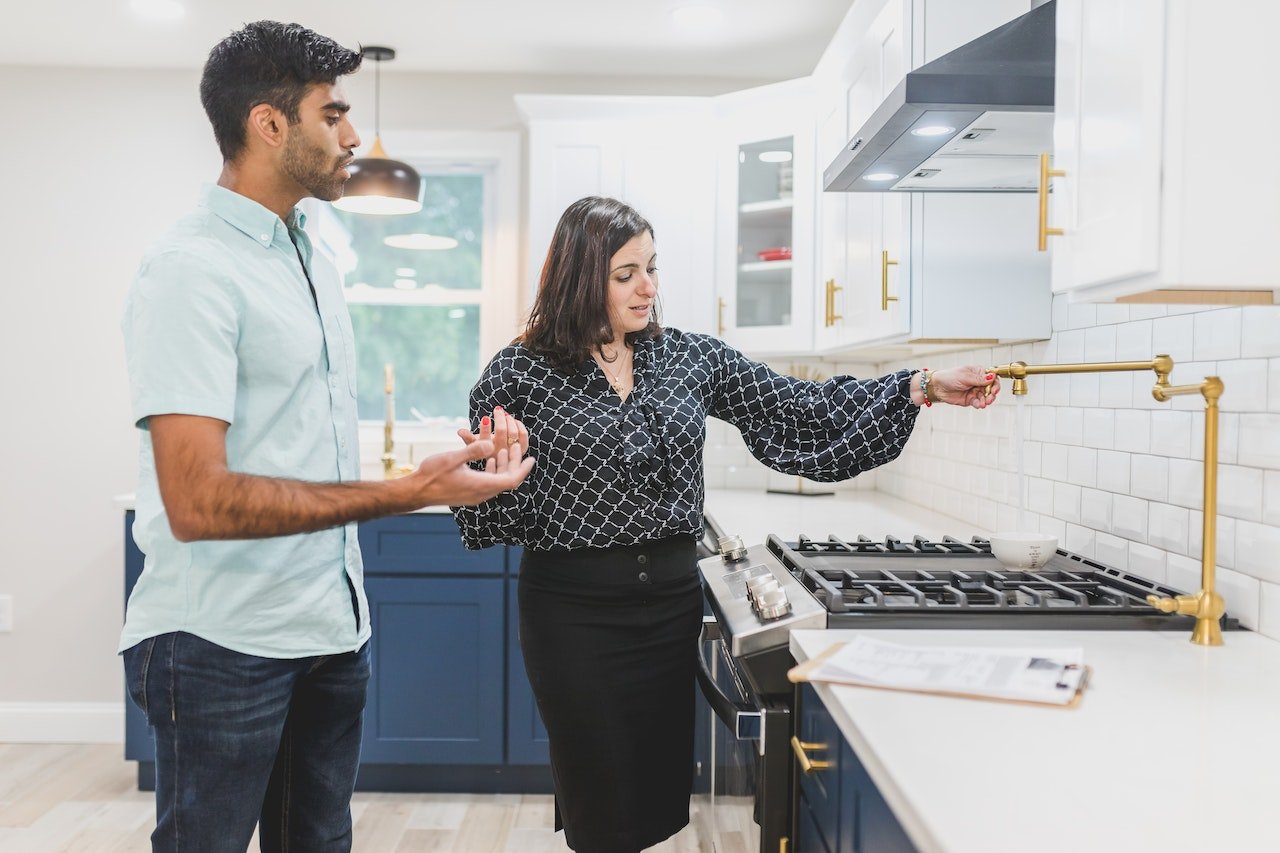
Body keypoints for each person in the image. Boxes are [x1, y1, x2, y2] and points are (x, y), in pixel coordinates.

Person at [452, 195, 1000, 852]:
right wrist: (492, 475)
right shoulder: (518, 372)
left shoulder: (690, 358)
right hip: (572, 618)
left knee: (651, 801)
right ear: (580, 276)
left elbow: (803, 407)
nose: (648, 287)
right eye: (626, 274)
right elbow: (483, 517)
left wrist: (921, 385)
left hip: (669, 610)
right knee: (600, 806)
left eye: (651, 267)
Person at [119, 21, 533, 853]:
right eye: (332, 114)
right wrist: (408, 490)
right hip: (219, 642)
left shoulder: (311, 259)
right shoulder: (191, 270)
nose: (351, 136)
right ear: (270, 124)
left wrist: (440, 468)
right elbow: (196, 501)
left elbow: (298, 440)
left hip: (331, 633)